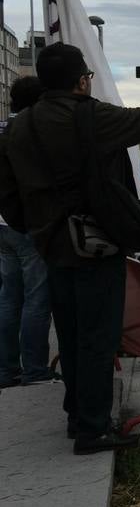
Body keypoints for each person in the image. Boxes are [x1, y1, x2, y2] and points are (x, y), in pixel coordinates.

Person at [0, 45, 140, 453]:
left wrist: (35, 227)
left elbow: (7, 191)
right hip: (96, 240)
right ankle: (93, 428)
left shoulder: (19, 127)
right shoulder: (87, 114)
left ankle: (78, 414)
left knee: (70, 330)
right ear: (82, 80)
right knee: (98, 334)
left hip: (51, 242)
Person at [0, 76, 53, 388]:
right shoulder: (33, 132)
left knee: (9, 296)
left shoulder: (3, 129)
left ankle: (6, 370)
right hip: (27, 223)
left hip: (2, 225)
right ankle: (34, 369)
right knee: (37, 297)